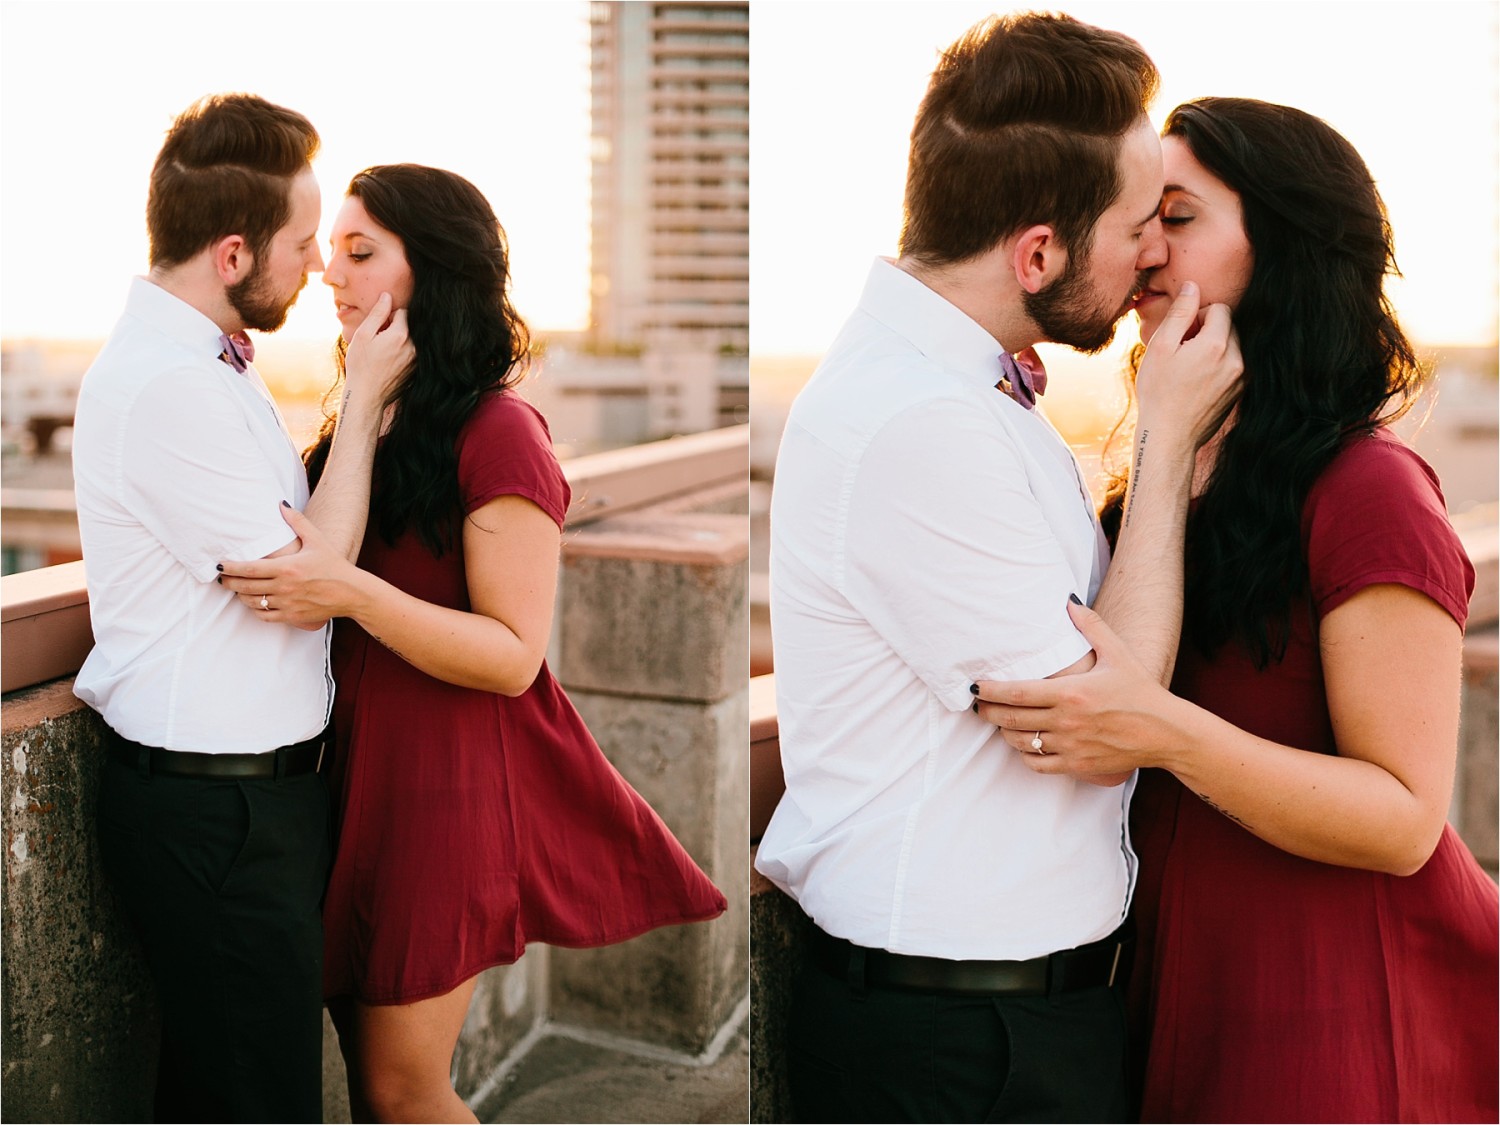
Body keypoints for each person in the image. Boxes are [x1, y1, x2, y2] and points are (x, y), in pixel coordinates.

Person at [753, 13, 1242, 1122]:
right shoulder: (917, 422)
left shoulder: (964, 391)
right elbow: (1091, 715)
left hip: (999, 1021)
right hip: (956, 1048)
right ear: (1037, 252)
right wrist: (1164, 441)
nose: (1153, 256)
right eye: (1136, 227)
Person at [975, 98, 1499, 1124]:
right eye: (1136, 216)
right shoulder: (1173, 472)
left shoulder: (1369, 489)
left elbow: (1403, 819)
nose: (1142, 246)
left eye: (1176, 215)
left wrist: (1165, 732)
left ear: (1286, 247)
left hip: (1336, 994)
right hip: (1182, 981)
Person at [218, 163, 727, 1123]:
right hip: (349, 780)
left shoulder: (499, 430)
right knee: (372, 1090)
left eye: (361, 253)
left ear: (436, 270)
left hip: (443, 795)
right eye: (331, 251)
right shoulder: (373, 418)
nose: (333, 273)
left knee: (402, 1091)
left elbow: (512, 653)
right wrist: (363, 401)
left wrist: (353, 592)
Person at [74, 94, 412, 1122]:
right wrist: (361, 405)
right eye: (303, 242)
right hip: (214, 812)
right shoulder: (169, 388)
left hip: (248, 805)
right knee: (259, 1099)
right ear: (231, 254)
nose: (316, 265)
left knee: (224, 1089)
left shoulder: (206, 369)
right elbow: (311, 589)